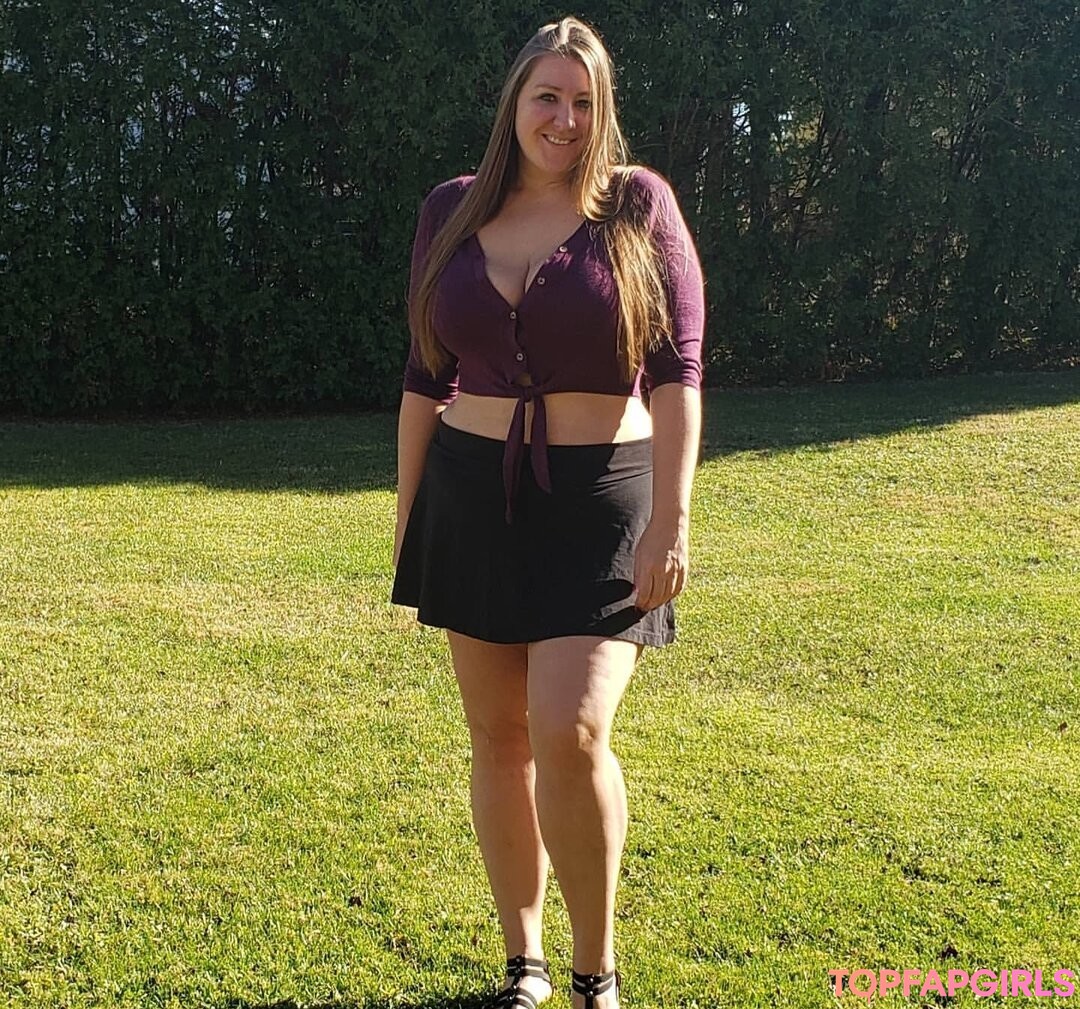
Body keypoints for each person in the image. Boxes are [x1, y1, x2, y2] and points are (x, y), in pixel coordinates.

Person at [390, 15, 704, 1009]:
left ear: (601, 111)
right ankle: (522, 962)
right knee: (498, 737)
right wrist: (409, 517)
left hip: (601, 503)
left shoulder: (637, 206)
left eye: (582, 101)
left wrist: (672, 520)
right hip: (470, 495)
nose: (564, 119)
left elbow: (679, 374)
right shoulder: (451, 209)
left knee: (569, 730)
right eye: (547, 97)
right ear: (514, 104)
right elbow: (424, 376)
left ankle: (594, 970)